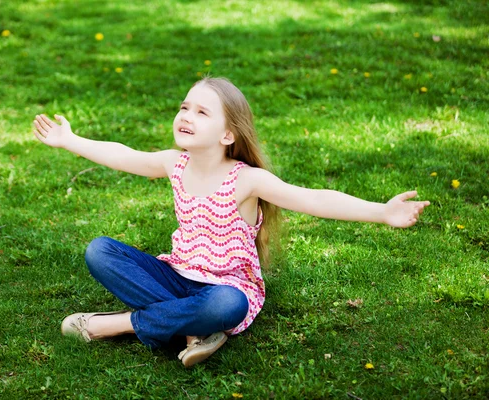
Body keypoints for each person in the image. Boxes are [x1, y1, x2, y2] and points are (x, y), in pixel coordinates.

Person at [32, 77, 430, 367]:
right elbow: (124, 155)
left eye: (201, 112)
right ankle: (195, 328)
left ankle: (118, 325)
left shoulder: (246, 180)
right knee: (100, 251)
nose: (186, 115)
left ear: (227, 134)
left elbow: (313, 199)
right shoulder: (175, 162)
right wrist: (72, 141)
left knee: (227, 304)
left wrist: (381, 211)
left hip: (225, 287)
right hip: (178, 273)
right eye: (185, 107)